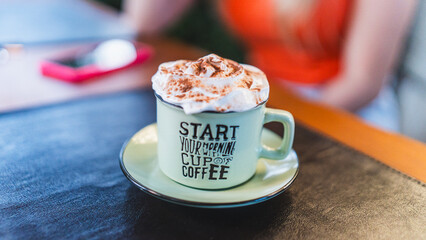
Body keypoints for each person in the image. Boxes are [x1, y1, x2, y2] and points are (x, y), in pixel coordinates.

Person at [122, 0, 417, 132]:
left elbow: (361, 83)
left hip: (344, 116)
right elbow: (144, 21)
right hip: (263, 104)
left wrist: (265, 122)